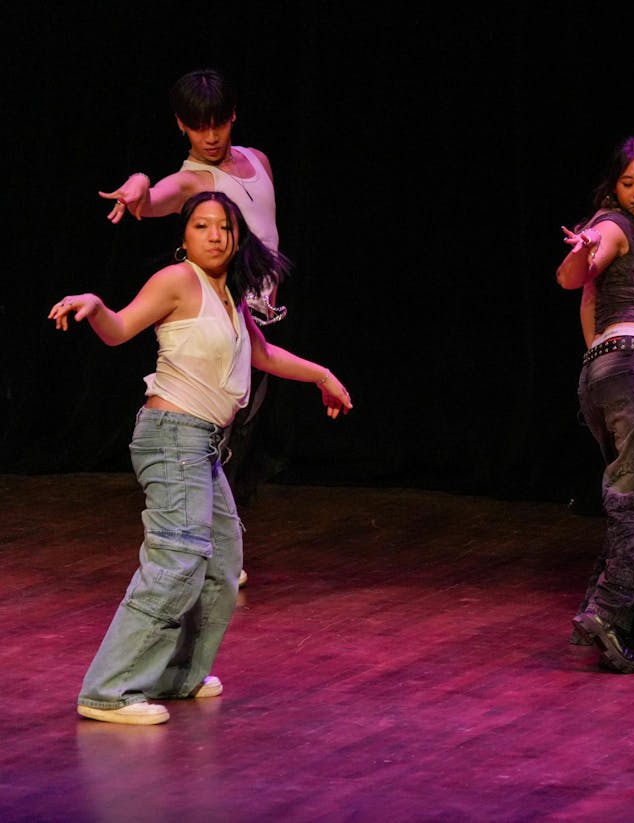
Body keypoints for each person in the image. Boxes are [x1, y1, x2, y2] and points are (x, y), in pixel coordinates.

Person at [49, 191, 352, 725]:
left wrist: (322, 375)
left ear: (237, 238)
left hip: (203, 447)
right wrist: (96, 305)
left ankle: (176, 676)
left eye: (225, 227)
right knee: (176, 560)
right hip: (172, 438)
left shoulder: (227, 293)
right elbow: (120, 329)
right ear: (184, 236)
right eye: (202, 226)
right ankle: (108, 689)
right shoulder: (178, 281)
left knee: (221, 565)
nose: (214, 235)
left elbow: (262, 353)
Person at [100, 68, 284, 585]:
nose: (210, 137)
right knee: (214, 435)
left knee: (239, 438)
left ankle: (217, 547)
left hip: (257, 320)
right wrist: (138, 186)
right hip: (217, 326)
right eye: (198, 126)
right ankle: (198, 547)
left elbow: (267, 237)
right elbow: (155, 197)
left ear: (232, 118)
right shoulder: (192, 180)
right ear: (182, 125)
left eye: (218, 124)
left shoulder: (259, 162)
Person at [556, 136, 634, 675]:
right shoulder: (612, 224)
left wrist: (597, 364)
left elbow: (590, 300)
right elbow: (572, 278)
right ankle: (611, 614)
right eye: (628, 182)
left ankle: (620, 611)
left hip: (611, 371)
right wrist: (585, 246)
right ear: (613, 185)